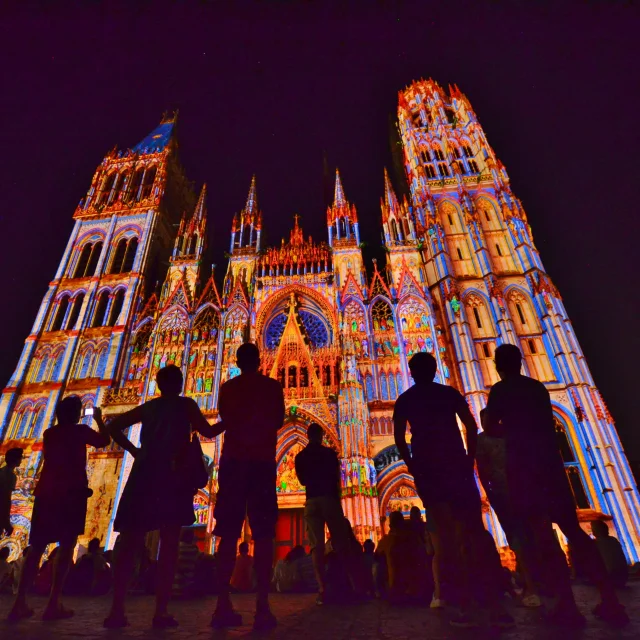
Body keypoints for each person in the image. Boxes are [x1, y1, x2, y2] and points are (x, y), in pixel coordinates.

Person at [484, 344, 628, 627]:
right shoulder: (539, 388)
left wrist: (508, 433)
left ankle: (567, 605)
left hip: (525, 467)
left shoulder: (502, 390)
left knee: (543, 536)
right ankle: (610, 600)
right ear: (522, 362)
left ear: (499, 366)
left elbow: (489, 427)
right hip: (551, 463)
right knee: (573, 532)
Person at [393, 352, 513, 628]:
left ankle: (464, 607)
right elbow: (471, 425)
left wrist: (411, 463)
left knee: (446, 542)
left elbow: (400, 436)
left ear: (411, 373)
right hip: (456, 466)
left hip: (429, 471)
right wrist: (469, 457)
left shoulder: (407, 399)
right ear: (435, 370)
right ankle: (495, 606)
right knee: (475, 534)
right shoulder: (449, 394)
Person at [103, 365, 219, 629]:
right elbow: (210, 433)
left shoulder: (149, 407)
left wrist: (135, 450)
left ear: (158, 384)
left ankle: (117, 609)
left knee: (131, 542)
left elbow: (114, 425)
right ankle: (161, 611)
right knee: (169, 545)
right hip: (172, 474)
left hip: (145, 473)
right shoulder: (186, 405)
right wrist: (234, 420)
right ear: (179, 384)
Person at [8, 397, 110, 621]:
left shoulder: (49, 433)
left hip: (46, 493)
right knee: (66, 546)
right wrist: (100, 419)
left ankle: (19, 603)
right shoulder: (80, 430)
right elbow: (104, 440)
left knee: (36, 548)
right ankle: (54, 603)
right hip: (72, 493)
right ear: (75, 414)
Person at [210, 343, 285, 631]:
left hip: (233, 463)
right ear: (260, 361)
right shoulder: (271, 387)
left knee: (228, 535)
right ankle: (262, 606)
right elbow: (279, 420)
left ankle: (221, 605)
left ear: (238, 362)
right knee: (264, 534)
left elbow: (225, 420)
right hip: (262, 462)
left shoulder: (228, 388)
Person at [294, 422, 351, 604]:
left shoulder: (301, 456)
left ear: (307, 435)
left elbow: (302, 481)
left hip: (311, 501)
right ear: (321, 436)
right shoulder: (329, 454)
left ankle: (322, 588)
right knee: (340, 541)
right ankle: (345, 585)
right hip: (329, 499)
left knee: (316, 547)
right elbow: (337, 479)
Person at [375, 510, 425, 603]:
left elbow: (377, 557)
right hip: (416, 591)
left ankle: (379, 593)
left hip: (395, 593)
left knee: (377, 566)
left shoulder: (386, 540)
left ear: (390, 525)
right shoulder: (414, 538)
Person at [591, 521, 628, 589]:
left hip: (610, 576)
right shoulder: (613, 540)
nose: (592, 532)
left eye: (593, 530)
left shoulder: (596, 543)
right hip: (622, 576)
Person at [0, 448, 24, 538]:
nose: (21, 460)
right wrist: (6, 522)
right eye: (21, 458)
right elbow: (6, 499)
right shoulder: (10, 476)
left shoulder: (2, 471)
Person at [173, 528, 201, 597]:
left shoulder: (176, 547)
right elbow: (199, 561)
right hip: (187, 585)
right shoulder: (194, 548)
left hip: (173, 585)